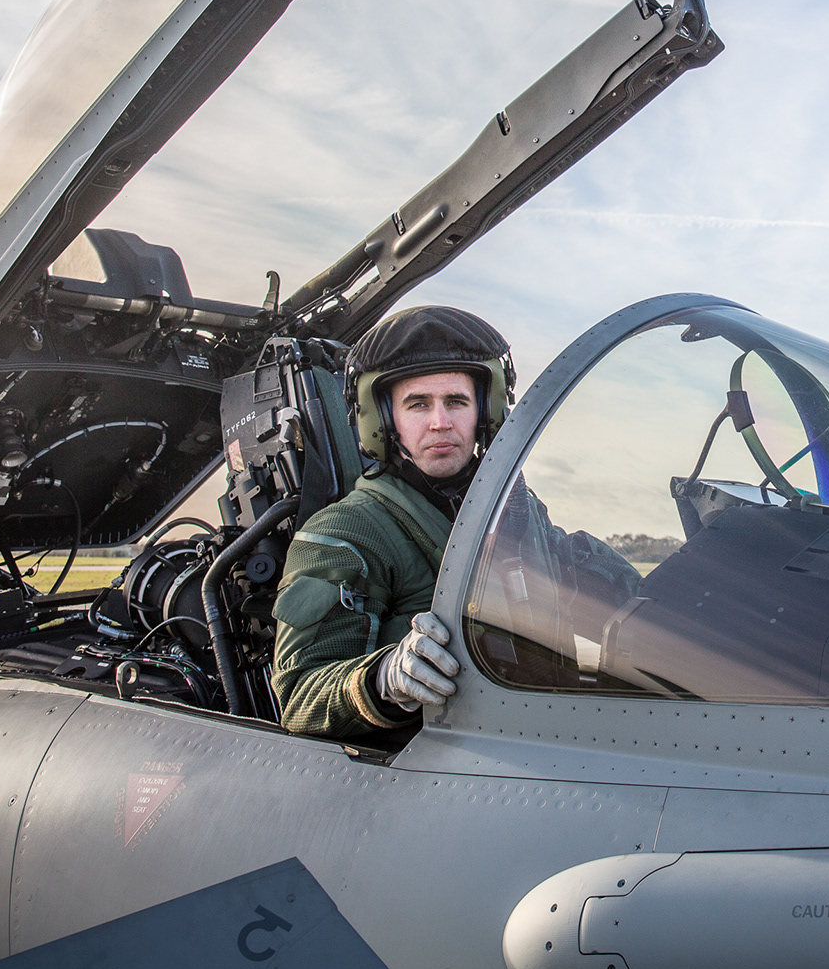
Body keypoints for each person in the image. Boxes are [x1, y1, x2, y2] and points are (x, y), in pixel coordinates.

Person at [272, 305, 638, 738]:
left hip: (549, 746)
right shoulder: (347, 533)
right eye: (418, 404)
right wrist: (381, 679)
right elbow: (299, 697)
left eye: (456, 401)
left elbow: (581, 578)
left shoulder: (513, 513)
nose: (440, 422)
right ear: (384, 420)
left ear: (485, 410)